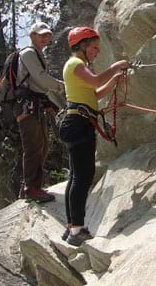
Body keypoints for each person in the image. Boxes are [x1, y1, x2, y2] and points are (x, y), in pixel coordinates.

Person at [60, 26, 129, 245]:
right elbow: (97, 82)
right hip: (79, 124)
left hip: (77, 122)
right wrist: (116, 67)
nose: (97, 52)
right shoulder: (76, 64)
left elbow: (96, 92)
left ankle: (72, 227)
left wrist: (115, 79)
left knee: (75, 176)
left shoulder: (77, 67)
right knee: (82, 176)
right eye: (94, 47)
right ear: (81, 46)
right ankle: (76, 230)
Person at [16, 21, 65, 203]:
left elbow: (38, 83)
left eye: (47, 35)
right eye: (41, 35)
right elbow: (41, 79)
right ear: (32, 36)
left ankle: (30, 186)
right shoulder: (29, 53)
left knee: (41, 146)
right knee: (33, 147)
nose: (45, 38)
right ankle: (30, 188)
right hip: (27, 106)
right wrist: (62, 86)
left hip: (33, 105)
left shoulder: (36, 54)